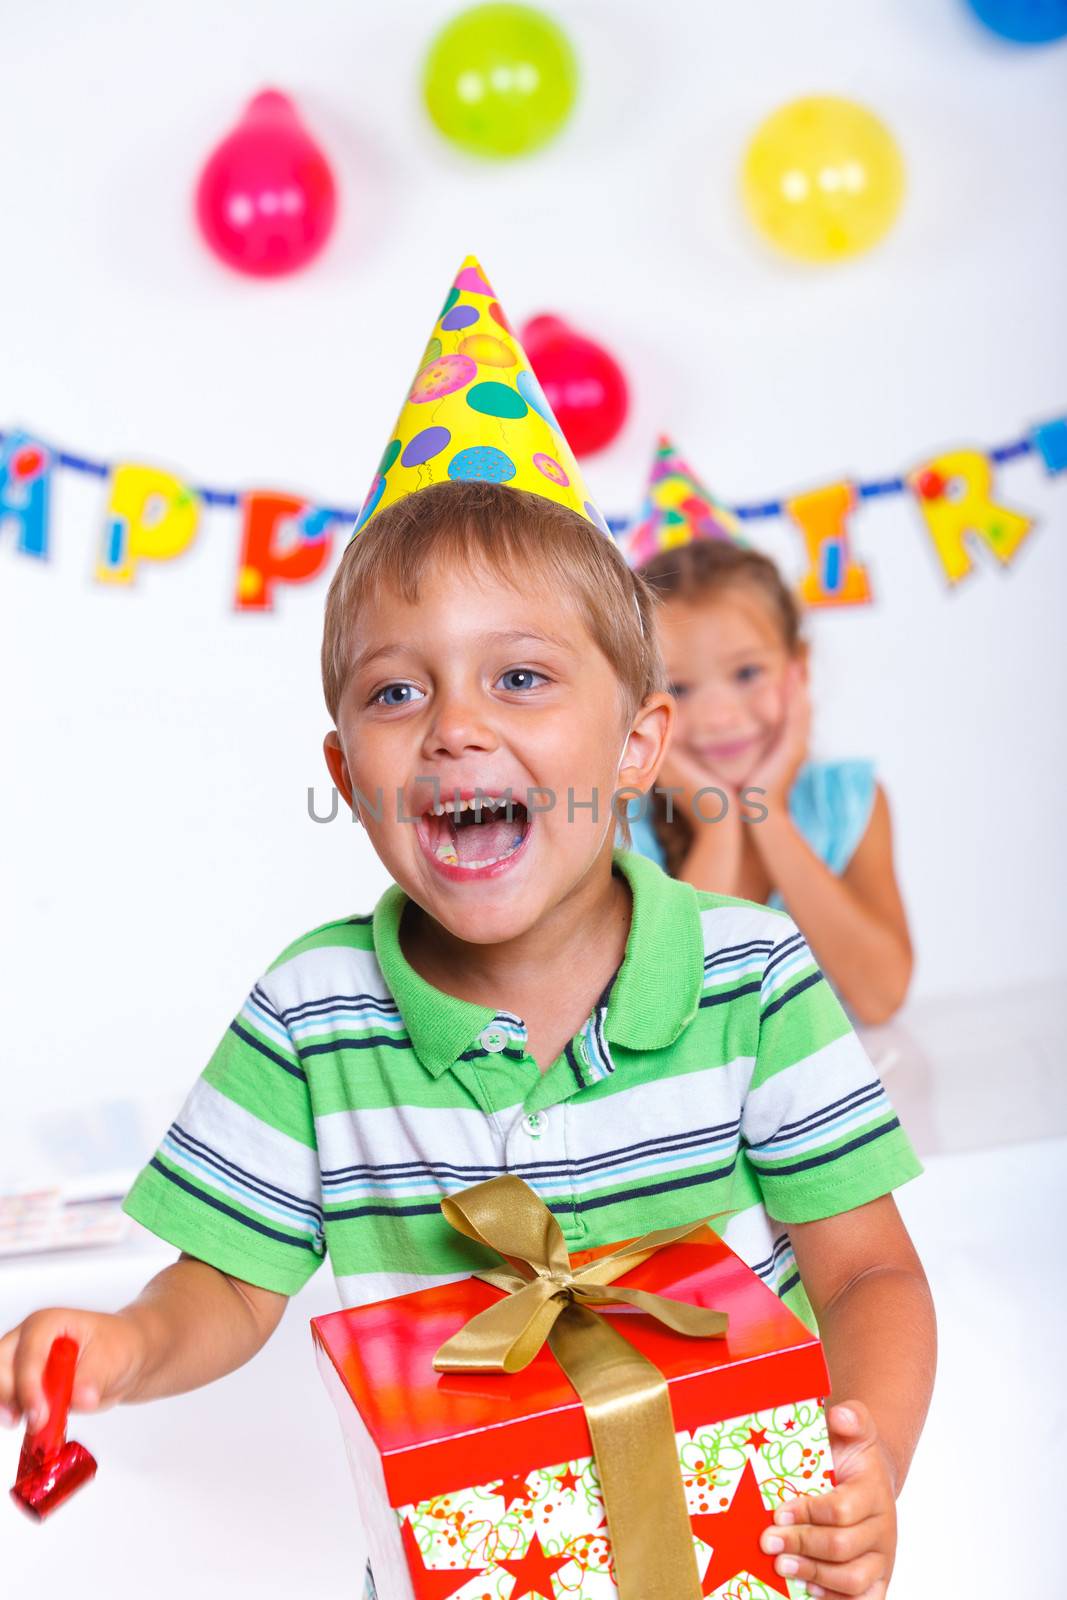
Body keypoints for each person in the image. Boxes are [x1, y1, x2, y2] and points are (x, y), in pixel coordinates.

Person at [0, 260, 934, 1600]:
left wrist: (867, 1466)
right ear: (345, 772)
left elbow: (865, 1277)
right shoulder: (315, 1012)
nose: (453, 725)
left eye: (518, 675)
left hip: (751, 1558)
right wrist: (126, 1342)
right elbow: (227, 1286)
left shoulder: (751, 978)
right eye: (396, 691)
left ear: (634, 746)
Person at [623, 444, 913, 1025]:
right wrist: (720, 824)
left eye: (748, 673)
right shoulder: (618, 824)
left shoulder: (849, 802)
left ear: (798, 670)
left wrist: (767, 814)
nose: (720, 718)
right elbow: (655, 1008)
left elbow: (880, 997)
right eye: (678, 690)